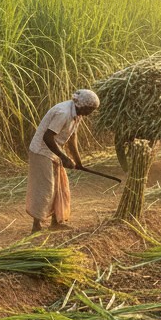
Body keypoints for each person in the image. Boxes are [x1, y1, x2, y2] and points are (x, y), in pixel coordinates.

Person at [26, 89, 100, 233]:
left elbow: (72, 139)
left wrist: (78, 162)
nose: (90, 113)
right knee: (45, 188)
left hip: (54, 152)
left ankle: (56, 221)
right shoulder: (63, 113)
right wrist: (64, 157)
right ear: (82, 104)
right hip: (41, 151)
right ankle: (36, 225)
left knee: (59, 186)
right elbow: (48, 137)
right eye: (90, 109)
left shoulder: (77, 114)